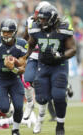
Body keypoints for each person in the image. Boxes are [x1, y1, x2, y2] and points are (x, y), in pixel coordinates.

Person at [27, 4, 76, 135]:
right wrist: (22, 58)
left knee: (58, 96)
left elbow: (73, 49)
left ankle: (60, 124)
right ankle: (61, 89)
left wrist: (61, 55)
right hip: (43, 66)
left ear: (52, 19)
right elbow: (30, 45)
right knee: (41, 98)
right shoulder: (36, 28)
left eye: (44, 19)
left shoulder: (63, 28)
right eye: (40, 18)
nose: (41, 21)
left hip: (59, 66)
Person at [22, 0, 51, 121]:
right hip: (33, 55)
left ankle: (43, 109)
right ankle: (29, 103)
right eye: (36, 12)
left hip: (46, 57)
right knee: (27, 80)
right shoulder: (30, 20)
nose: (36, 15)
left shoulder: (53, 24)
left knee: (42, 85)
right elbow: (25, 36)